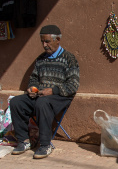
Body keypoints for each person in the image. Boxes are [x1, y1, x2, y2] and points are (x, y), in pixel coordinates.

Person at [10, 25, 80, 159]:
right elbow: (34, 79)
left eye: (47, 41)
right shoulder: (41, 59)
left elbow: (73, 85)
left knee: (42, 103)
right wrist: (33, 88)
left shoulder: (69, 58)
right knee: (16, 102)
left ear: (57, 39)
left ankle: (45, 145)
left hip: (60, 96)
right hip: (41, 95)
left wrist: (53, 91)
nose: (44, 45)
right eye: (42, 41)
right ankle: (24, 141)